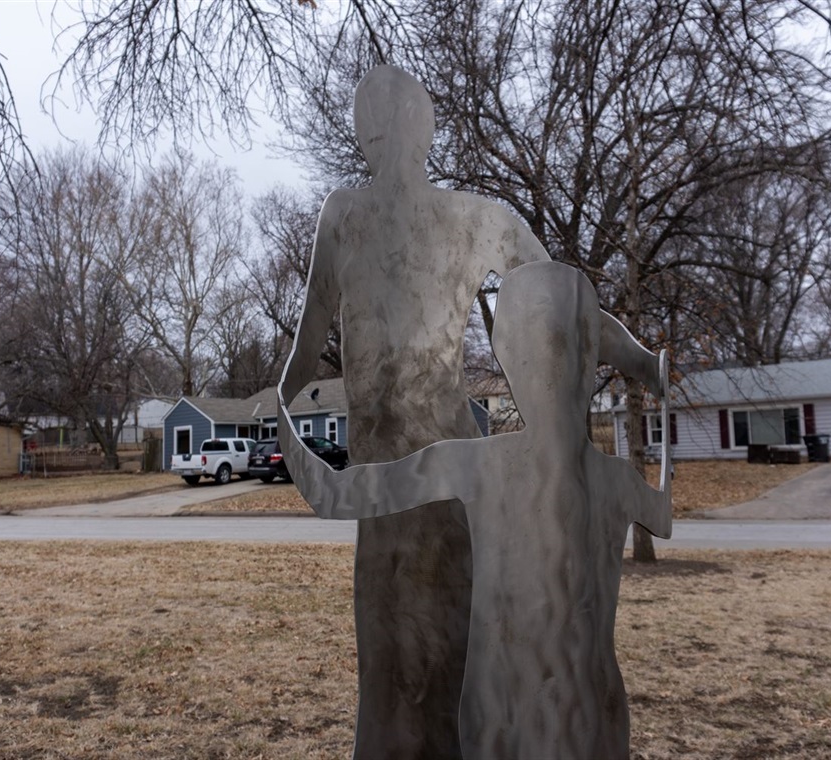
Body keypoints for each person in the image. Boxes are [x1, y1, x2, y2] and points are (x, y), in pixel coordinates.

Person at [278, 65, 663, 759]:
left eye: (389, 120)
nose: (384, 136)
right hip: (385, 484)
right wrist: (281, 409)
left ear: (412, 131)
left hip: (446, 469)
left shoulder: (473, 218)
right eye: (377, 123)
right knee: (393, 667)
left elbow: (563, 303)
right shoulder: (346, 215)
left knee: (457, 652)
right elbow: (308, 343)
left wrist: (640, 360)